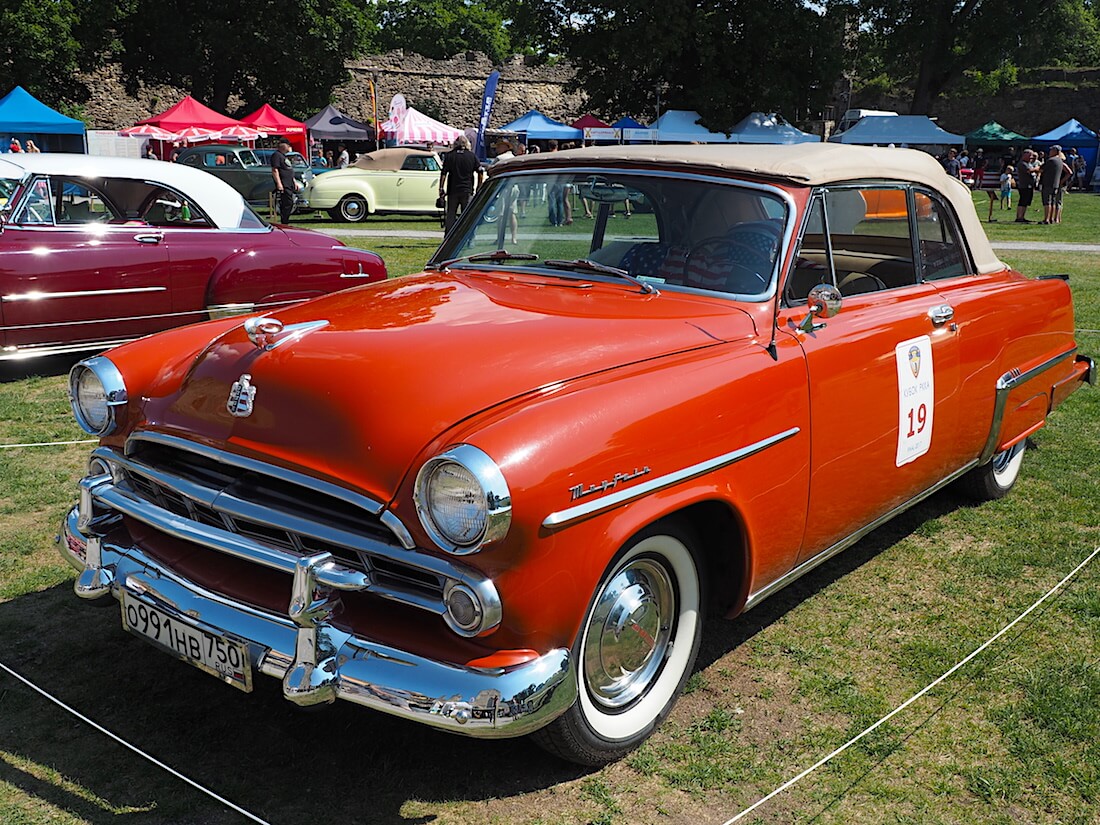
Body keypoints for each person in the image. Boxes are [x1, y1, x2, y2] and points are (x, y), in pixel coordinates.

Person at [438, 134, 483, 234]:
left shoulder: (449, 156)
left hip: (453, 190)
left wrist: (441, 188)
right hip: (467, 189)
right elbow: (480, 171)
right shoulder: (472, 156)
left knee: (451, 214)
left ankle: (448, 236)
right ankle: (469, 236)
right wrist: (479, 186)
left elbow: (444, 173)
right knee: (467, 215)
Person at [269, 139, 296, 224]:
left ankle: (286, 221)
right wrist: (279, 183)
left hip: (289, 183)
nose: (289, 147)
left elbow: (289, 170)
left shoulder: (284, 156)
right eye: (287, 145)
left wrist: (294, 181)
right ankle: (284, 222)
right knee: (287, 203)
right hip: (284, 184)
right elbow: (275, 170)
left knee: (290, 203)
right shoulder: (276, 155)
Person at [1039, 144, 1066, 225]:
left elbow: (1041, 169)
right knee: (1053, 202)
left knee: (1047, 202)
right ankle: (1052, 219)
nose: (1050, 151)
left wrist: (1032, 170)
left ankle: (1046, 219)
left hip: (1048, 183)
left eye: (1051, 150)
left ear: (1055, 151)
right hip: (1056, 184)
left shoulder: (1051, 160)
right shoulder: (1060, 161)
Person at [1014, 149, 1038, 223]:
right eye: (1030, 155)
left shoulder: (1029, 163)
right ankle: (1019, 217)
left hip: (1029, 185)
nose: (1031, 157)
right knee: (1023, 201)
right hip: (1024, 185)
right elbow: (1029, 170)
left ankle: (1022, 216)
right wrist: (1037, 169)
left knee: (1026, 202)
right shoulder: (1022, 163)